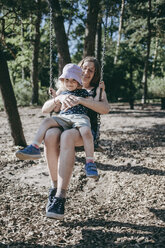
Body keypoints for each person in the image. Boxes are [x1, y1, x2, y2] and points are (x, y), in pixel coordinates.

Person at [43, 57, 109, 220]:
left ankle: (60, 197)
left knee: (66, 136)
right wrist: (57, 98)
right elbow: (45, 109)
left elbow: (105, 109)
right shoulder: (66, 86)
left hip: (84, 132)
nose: (87, 72)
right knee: (50, 135)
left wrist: (81, 100)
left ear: (95, 74)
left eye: (91, 70)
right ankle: (54, 186)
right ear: (78, 69)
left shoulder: (97, 89)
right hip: (64, 125)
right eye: (84, 68)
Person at [15, 63, 98, 178]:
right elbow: (57, 109)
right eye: (66, 80)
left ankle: (90, 163)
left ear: (79, 82)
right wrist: (55, 98)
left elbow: (92, 104)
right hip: (64, 117)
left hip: (80, 117)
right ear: (63, 81)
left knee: (86, 132)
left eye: (73, 80)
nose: (69, 83)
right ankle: (34, 147)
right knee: (46, 122)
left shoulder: (84, 92)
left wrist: (87, 98)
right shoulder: (62, 93)